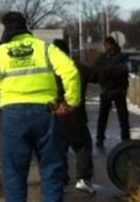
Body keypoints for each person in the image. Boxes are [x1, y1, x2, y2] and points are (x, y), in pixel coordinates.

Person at [0, 12, 81, 202]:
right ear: (25, 27)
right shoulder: (45, 48)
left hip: (13, 117)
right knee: (51, 169)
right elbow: (70, 71)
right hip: (46, 113)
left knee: (14, 174)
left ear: (5, 29)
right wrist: (70, 101)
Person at [52, 39, 95, 194]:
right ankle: (83, 179)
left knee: (58, 149)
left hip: (54, 115)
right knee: (83, 146)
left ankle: (60, 179)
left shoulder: (49, 70)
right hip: (74, 116)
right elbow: (97, 75)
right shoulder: (78, 68)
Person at [93, 37, 130, 147]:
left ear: (112, 45)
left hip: (118, 90)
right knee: (103, 116)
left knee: (122, 116)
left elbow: (123, 71)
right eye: (105, 45)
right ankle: (100, 137)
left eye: (107, 45)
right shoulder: (102, 58)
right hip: (106, 90)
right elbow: (97, 72)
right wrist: (105, 75)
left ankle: (125, 137)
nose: (105, 47)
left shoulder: (121, 57)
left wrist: (108, 72)